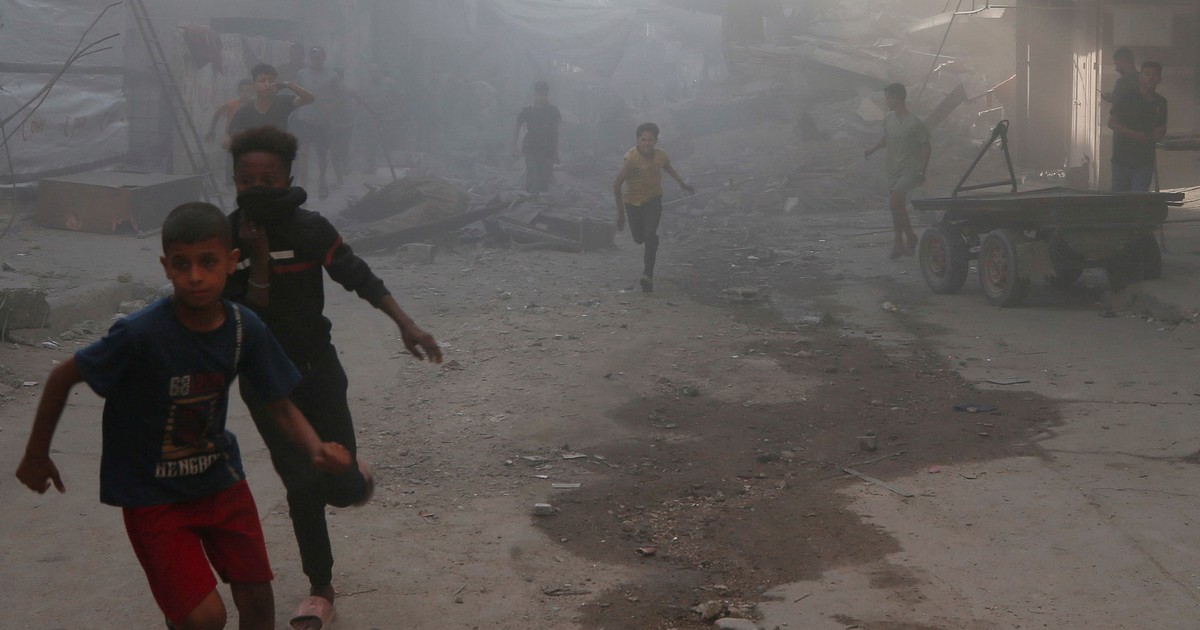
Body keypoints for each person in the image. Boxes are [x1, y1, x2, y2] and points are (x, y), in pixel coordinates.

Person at [15, 202, 351, 630]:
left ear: (231, 262)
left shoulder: (243, 328)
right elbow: (64, 375)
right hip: (153, 494)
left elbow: (280, 405)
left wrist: (315, 447)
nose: (195, 276)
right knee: (205, 618)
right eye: (182, 264)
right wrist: (36, 454)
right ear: (166, 267)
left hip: (219, 480)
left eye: (208, 262)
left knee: (257, 601)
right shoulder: (141, 334)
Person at [225, 125, 443, 629]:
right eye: (246, 179)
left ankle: (353, 475)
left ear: (288, 179)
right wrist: (258, 257)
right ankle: (320, 588)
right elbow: (245, 311)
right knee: (301, 486)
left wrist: (405, 323)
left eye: (269, 179)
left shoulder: (311, 229)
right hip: (265, 384)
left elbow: (358, 275)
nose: (257, 188)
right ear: (234, 182)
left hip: (318, 371)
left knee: (340, 489)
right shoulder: (227, 236)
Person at [612, 122, 694, 292]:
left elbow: (668, 168)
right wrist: (621, 214)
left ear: (655, 140)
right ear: (638, 140)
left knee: (649, 235)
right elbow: (617, 185)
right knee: (638, 239)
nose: (647, 143)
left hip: (653, 200)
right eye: (643, 140)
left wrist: (682, 184)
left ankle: (647, 275)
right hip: (632, 203)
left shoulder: (660, 155)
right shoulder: (632, 158)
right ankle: (651, 241)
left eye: (650, 140)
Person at [863, 82, 931, 259]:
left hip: (910, 169)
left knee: (894, 202)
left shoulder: (915, 123)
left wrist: (922, 171)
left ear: (898, 98)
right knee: (896, 206)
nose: (886, 101)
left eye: (888, 98)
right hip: (893, 168)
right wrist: (873, 148)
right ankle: (899, 242)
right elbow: (886, 139)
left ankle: (908, 237)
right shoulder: (888, 119)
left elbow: (926, 147)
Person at [293, 46, 344, 200]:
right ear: (310, 59)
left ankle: (322, 180)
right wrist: (297, 105)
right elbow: (296, 93)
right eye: (313, 58)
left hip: (323, 121)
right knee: (303, 152)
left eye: (319, 57)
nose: (316, 61)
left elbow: (341, 96)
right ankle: (303, 186)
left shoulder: (332, 75)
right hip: (304, 119)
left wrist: (332, 106)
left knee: (321, 153)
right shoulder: (301, 74)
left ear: (323, 58)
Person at [1109, 61, 1167, 193]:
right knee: (1119, 199)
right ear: (1140, 77)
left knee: (1139, 198)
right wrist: (1134, 135)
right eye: (1147, 74)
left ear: (1160, 79)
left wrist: (1161, 131)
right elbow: (1112, 122)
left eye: (1155, 75)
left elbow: (1162, 125)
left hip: (1145, 159)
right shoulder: (1127, 98)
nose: (1150, 78)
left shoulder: (1161, 102)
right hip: (1122, 157)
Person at [228, 63, 314, 140]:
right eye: (262, 81)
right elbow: (233, 136)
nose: (267, 84)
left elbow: (309, 98)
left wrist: (288, 85)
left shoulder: (283, 102)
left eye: (271, 81)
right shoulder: (244, 112)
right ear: (254, 85)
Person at [511, 80, 561, 195]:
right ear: (535, 95)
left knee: (545, 179)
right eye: (540, 95)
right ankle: (532, 198)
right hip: (531, 148)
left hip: (548, 149)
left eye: (545, 95)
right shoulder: (528, 110)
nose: (543, 98)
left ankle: (539, 198)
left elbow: (555, 133)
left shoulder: (553, 111)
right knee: (533, 175)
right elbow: (517, 127)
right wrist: (514, 146)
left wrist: (556, 153)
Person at [207, 79, 254, 184]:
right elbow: (217, 112)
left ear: (253, 92)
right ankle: (229, 183)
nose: (245, 94)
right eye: (243, 91)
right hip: (232, 137)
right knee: (231, 160)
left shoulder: (254, 105)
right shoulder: (232, 104)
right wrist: (212, 130)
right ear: (238, 92)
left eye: (248, 91)